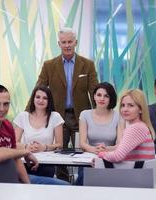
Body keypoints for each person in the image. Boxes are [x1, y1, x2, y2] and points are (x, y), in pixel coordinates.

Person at [28, 27, 98, 181]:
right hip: (58, 116)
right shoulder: (49, 65)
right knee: (59, 153)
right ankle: (63, 184)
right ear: (58, 44)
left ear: (76, 42)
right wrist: (29, 112)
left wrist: (99, 116)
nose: (67, 45)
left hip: (81, 117)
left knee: (84, 152)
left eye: (70, 42)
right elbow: (38, 89)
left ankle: (82, 183)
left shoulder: (88, 65)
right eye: (64, 42)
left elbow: (95, 92)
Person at [0, 84, 68, 185]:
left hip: (14, 179)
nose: (2, 109)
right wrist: (25, 152)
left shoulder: (7, 125)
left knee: (65, 187)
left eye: (6, 104)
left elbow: (16, 159)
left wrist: (28, 185)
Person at [76, 82, 124, 185]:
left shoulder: (118, 116)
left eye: (106, 96)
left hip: (110, 158)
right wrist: (95, 150)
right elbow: (82, 143)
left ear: (111, 98)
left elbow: (120, 144)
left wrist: (106, 149)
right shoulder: (84, 114)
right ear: (94, 97)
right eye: (99, 95)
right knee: (83, 178)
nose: (102, 98)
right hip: (89, 157)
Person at [14, 85, 63, 178]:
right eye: (38, 97)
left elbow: (59, 144)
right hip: (25, 161)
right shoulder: (22, 116)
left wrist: (44, 147)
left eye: (45, 98)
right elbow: (14, 143)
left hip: (47, 164)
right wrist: (27, 146)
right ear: (33, 98)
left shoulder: (55, 116)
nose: (41, 100)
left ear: (49, 101)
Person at [98, 89, 155, 162]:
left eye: (130, 105)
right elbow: (122, 149)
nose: (125, 109)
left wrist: (100, 154)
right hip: (140, 172)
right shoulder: (141, 126)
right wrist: (107, 149)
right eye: (123, 105)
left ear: (141, 109)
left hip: (135, 173)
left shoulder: (136, 128)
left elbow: (117, 156)